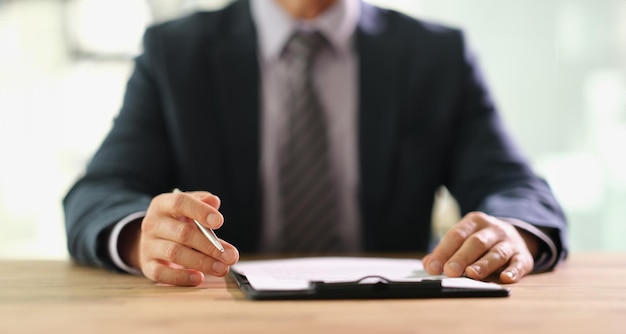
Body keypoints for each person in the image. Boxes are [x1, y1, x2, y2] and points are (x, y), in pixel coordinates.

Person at [63, 0, 568, 287]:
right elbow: (100, 191)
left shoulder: (434, 54)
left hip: (392, 314)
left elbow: (511, 182)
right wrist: (141, 236)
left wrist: (513, 232)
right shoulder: (175, 52)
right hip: (221, 312)